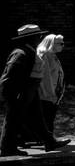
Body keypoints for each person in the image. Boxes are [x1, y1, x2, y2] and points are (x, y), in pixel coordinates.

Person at [2, 25, 66, 155]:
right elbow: (9, 78)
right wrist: (11, 95)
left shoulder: (30, 51)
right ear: (30, 38)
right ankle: (8, 148)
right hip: (20, 93)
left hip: (31, 91)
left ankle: (49, 141)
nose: (40, 38)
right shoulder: (21, 54)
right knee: (12, 119)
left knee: (38, 118)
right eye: (38, 36)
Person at [35, 34, 67, 141]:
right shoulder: (45, 55)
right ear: (51, 43)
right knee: (47, 117)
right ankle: (48, 140)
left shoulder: (52, 55)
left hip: (53, 92)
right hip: (46, 93)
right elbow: (45, 77)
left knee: (49, 117)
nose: (63, 45)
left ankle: (47, 139)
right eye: (61, 43)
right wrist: (50, 93)